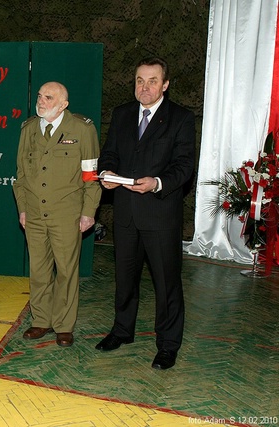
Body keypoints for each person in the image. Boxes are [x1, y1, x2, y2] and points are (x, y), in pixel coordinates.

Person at [95, 57, 195, 370]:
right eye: (140, 80)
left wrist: (157, 183)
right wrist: (106, 172)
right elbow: (109, 153)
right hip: (126, 214)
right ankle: (122, 331)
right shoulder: (122, 114)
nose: (145, 87)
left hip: (160, 216)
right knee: (125, 278)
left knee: (166, 284)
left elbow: (184, 167)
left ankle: (168, 345)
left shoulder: (181, 118)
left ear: (165, 85)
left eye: (152, 81)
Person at [12, 81, 101, 347]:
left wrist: (88, 212)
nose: (41, 101)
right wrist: (23, 208)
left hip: (66, 214)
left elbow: (91, 175)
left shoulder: (82, 129)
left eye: (49, 98)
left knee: (66, 271)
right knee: (38, 271)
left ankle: (64, 325)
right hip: (34, 213)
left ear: (63, 104)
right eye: (40, 96)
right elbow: (21, 175)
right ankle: (41, 320)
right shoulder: (28, 129)